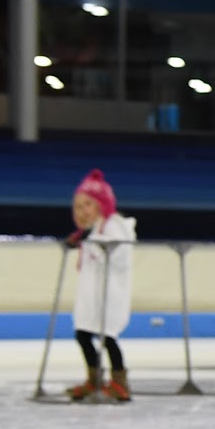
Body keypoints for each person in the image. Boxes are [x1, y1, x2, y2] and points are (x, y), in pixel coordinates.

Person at [63, 170, 137, 403]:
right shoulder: (95, 229)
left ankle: (120, 381)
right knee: (83, 334)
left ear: (102, 204)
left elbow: (119, 255)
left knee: (108, 337)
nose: (83, 211)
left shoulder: (114, 226)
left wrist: (92, 244)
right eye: (78, 206)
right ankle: (94, 378)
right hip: (92, 295)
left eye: (88, 204)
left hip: (109, 294)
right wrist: (81, 240)